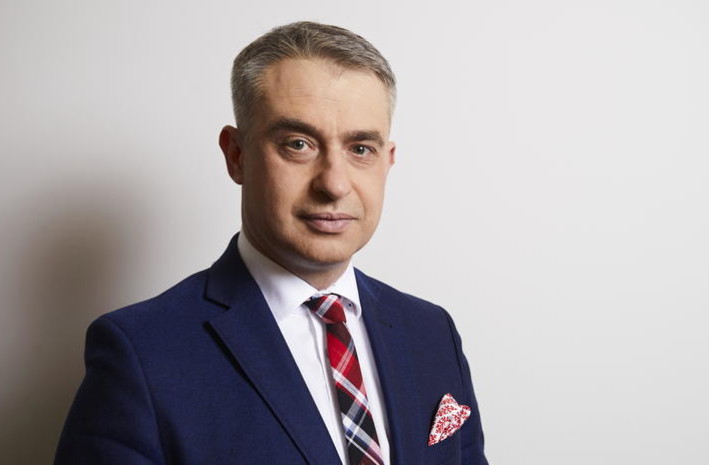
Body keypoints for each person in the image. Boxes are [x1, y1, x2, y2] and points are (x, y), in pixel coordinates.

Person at [54, 21, 488, 465]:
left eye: (360, 149)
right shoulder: (143, 354)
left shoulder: (431, 332)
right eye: (299, 144)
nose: (335, 184)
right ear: (236, 155)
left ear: (387, 161)